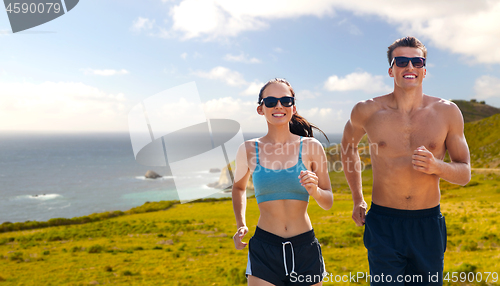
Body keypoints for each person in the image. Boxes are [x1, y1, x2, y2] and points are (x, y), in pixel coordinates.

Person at [341, 36, 471, 285]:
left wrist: (437, 166)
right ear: (391, 70)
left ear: (424, 70)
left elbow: (464, 173)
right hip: (383, 222)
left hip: (427, 224)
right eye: (401, 61)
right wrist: (357, 198)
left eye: (416, 61)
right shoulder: (367, 111)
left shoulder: (447, 112)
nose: (409, 67)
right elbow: (348, 148)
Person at [232, 78, 333, 286]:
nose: (278, 106)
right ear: (261, 109)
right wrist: (241, 224)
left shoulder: (312, 147)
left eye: (285, 100)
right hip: (264, 249)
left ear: (293, 108)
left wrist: (315, 191)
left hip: (305, 248)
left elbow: (328, 201)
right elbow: (239, 187)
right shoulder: (249, 149)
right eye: (270, 101)